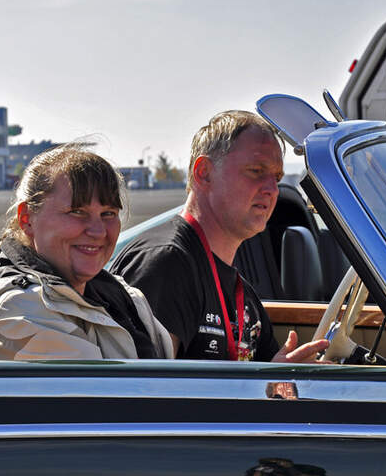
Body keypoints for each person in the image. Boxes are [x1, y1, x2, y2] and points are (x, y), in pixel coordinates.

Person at [111, 111, 328, 362]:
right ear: (204, 173)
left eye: (277, 178)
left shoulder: (241, 292)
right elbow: (150, 393)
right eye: (256, 170)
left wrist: (278, 375)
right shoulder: (166, 263)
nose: (272, 189)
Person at [0, 146, 173, 361]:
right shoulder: (17, 313)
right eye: (77, 212)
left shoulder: (123, 296)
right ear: (27, 219)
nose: (98, 231)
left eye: (108, 213)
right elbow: (108, 396)